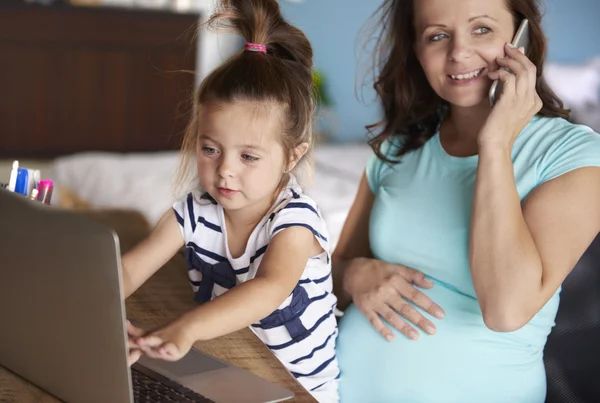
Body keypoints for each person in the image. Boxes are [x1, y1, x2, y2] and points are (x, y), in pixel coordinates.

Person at [332, 0, 600, 401]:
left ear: (521, 38)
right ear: (417, 52)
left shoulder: (575, 154)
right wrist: (353, 275)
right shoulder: (397, 149)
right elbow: (332, 276)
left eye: (481, 30)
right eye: (437, 36)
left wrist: (495, 142)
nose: (458, 53)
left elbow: (506, 309)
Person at [121, 1, 340, 401]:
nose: (225, 170)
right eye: (210, 149)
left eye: (249, 156)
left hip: (298, 390)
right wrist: (103, 313)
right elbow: (129, 271)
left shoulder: (294, 220)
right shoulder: (195, 210)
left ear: (292, 156)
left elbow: (269, 289)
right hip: (227, 364)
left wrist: (186, 327)